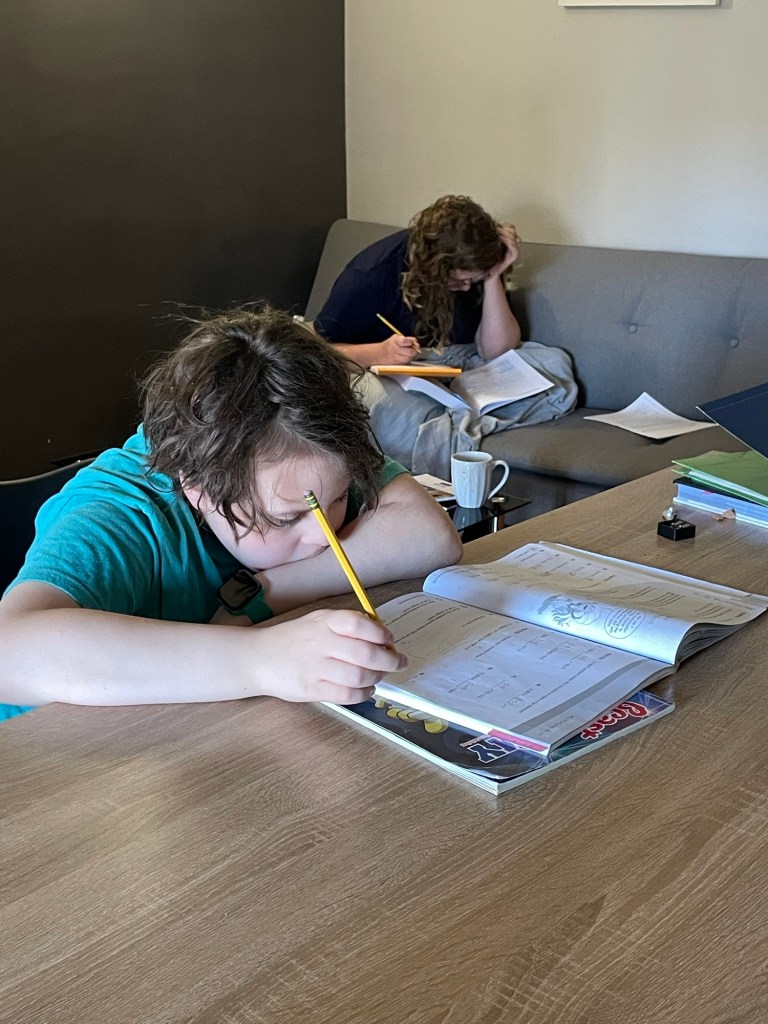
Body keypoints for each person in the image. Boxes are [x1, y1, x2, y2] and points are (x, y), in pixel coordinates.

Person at [0, 307, 463, 720]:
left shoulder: (308, 445)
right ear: (198, 490)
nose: (325, 537)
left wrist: (260, 596)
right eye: (286, 519)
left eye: (340, 498)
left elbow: (430, 535)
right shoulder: (120, 515)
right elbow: (11, 652)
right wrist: (259, 659)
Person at [312, 194, 522, 368]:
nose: (467, 287)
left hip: (457, 362)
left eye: (474, 279)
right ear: (433, 268)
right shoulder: (369, 276)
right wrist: (378, 353)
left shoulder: (475, 262)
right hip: (388, 368)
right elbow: (318, 351)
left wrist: (493, 276)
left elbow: (497, 351)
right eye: (459, 280)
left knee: (540, 358)